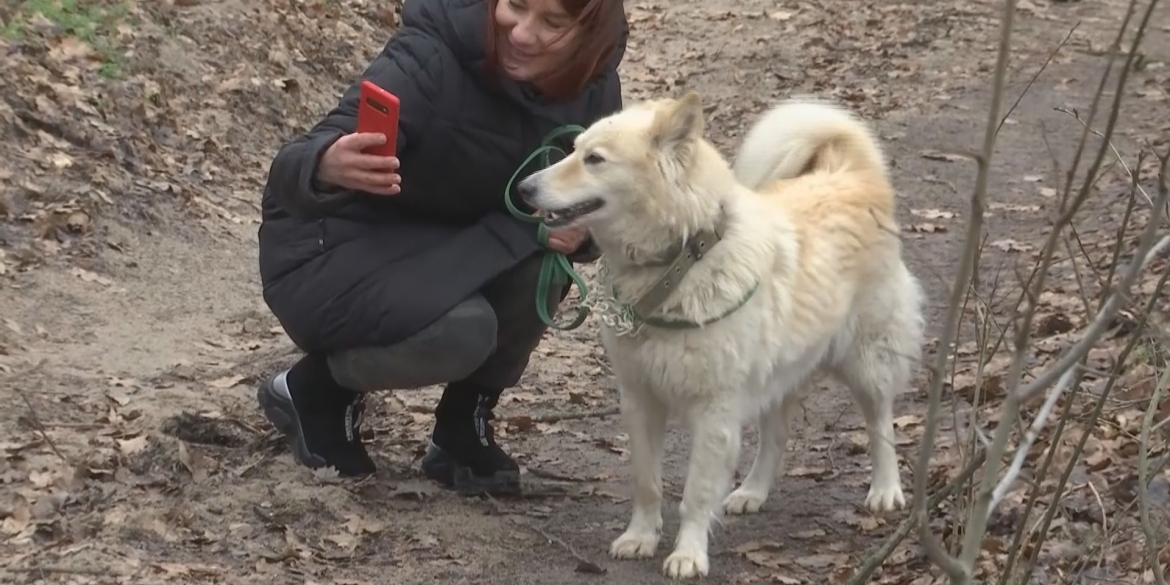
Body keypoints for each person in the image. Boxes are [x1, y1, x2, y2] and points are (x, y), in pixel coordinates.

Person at [254, 0, 628, 496]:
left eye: (552, 24)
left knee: (542, 260)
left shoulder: (594, 87)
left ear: (588, 39)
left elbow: (595, 200)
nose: (520, 32)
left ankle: (462, 424)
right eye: (515, 6)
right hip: (335, 243)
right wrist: (325, 164)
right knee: (462, 333)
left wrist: (580, 230)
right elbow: (295, 164)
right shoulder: (430, 55)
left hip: (453, 244)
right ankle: (316, 391)